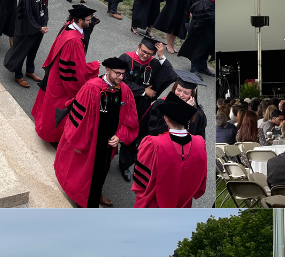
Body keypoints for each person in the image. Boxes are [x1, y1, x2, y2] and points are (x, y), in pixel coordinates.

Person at [54, 57, 139, 208]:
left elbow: (130, 118)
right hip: (90, 139)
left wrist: (120, 135)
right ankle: (82, 198)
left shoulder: (125, 91)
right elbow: (78, 117)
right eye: (117, 74)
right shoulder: (91, 88)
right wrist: (77, 141)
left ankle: (95, 194)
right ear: (107, 70)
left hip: (109, 142)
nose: (120, 77)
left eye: (123, 74)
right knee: (83, 172)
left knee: (102, 171)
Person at [31, 4, 99, 143]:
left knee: (49, 104)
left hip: (55, 74)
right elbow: (75, 71)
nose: (89, 22)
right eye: (87, 19)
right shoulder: (74, 41)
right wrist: (93, 68)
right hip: (62, 82)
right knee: (58, 107)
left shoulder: (68, 27)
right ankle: (53, 136)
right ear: (79, 20)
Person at [117, 33, 177, 182]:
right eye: (143, 51)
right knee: (114, 127)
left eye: (149, 53)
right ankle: (109, 152)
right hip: (122, 102)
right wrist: (144, 91)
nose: (145, 55)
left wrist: (162, 56)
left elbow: (170, 76)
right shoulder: (126, 58)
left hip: (141, 106)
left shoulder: (154, 64)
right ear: (138, 47)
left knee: (133, 134)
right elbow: (121, 82)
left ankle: (124, 165)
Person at [132, 91, 208, 208]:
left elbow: (141, 181)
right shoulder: (200, 144)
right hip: (183, 203)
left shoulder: (153, 144)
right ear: (188, 121)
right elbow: (201, 181)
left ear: (166, 119)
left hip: (153, 202)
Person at [3, 0, 49, 88]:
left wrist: (44, 25)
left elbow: (45, 10)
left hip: (39, 30)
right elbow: (26, 16)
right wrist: (38, 27)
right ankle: (18, 75)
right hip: (26, 30)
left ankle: (30, 71)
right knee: (21, 52)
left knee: (33, 52)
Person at [178, 0, 215, 75]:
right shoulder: (205, 2)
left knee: (206, 50)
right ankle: (194, 68)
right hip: (201, 31)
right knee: (199, 49)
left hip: (211, 32)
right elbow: (202, 17)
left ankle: (203, 67)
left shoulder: (214, 1)